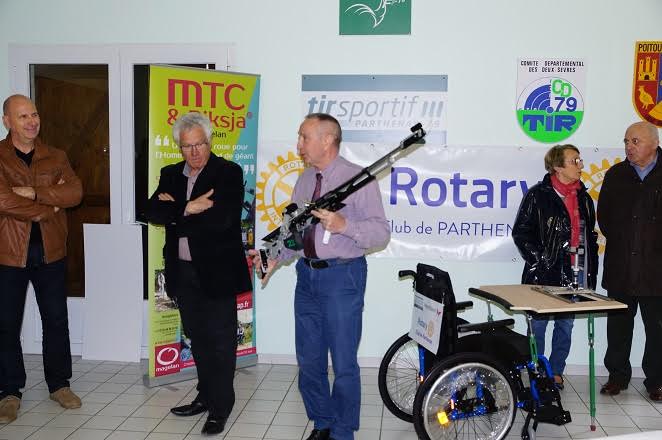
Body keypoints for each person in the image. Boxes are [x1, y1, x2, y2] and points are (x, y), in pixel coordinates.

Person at [251, 113, 390, 440]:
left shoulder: (359, 179)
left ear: (327, 140)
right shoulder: (303, 180)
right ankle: (323, 421)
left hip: (343, 278)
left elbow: (381, 232)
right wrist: (275, 257)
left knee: (343, 364)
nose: (299, 145)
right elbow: (294, 232)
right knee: (309, 361)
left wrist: (345, 226)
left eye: (304, 137)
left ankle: (342, 432)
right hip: (307, 278)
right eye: (299, 137)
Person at [146, 112, 251, 435]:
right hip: (183, 273)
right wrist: (188, 208)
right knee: (198, 339)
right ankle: (205, 396)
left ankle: (221, 407)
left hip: (218, 273)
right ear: (179, 147)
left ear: (209, 141)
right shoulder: (169, 174)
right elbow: (151, 211)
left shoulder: (228, 172)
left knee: (221, 343)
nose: (194, 152)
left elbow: (222, 221)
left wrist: (175, 212)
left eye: (200, 144)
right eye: (187, 146)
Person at [0, 94, 83, 424]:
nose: (32, 121)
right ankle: (9, 392)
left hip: (51, 251)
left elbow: (75, 193)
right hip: (8, 252)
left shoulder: (56, 156)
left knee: (56, 320)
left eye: (34, 114)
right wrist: (47, 209)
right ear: (8, 121)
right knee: (6, 324)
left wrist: (34, 193)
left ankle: (59, 385)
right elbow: (2, 199)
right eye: (23, 116)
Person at [513, 144, 598, 388]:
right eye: (575, 161)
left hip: (575, 271)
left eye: (580, 160)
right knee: (538, 325)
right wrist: (541, 261)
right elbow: (521, 233)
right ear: (558, 167)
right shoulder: (538, 195)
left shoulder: (584, 197)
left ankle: (556, 371)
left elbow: (588, 235)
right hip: (545, 272)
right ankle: (538, 371)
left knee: (565, 324)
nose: (581, 165)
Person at [597, 121, 662, 400]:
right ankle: (617, 377)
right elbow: (605, 218)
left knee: (657, 330)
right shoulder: (616, 174)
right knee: (619, 328)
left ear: (653, 143)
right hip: (622, 267)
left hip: (657, 270)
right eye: (626, 141)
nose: (628, 147)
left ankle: (657, 381)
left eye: (634, 141)